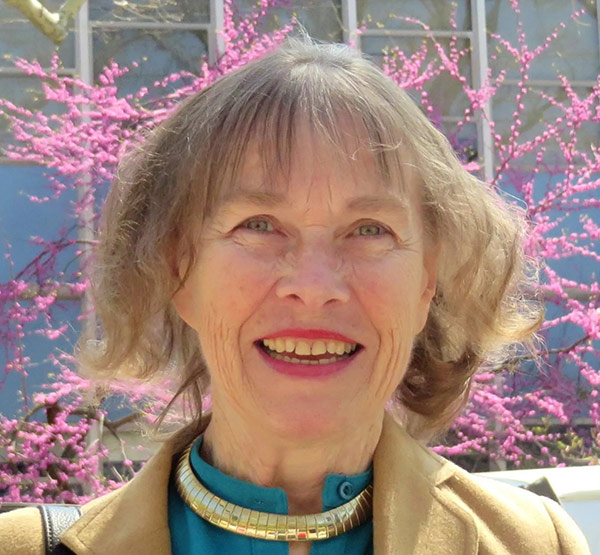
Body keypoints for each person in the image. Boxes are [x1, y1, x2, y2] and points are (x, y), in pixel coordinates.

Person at [0, 38, 590, 555]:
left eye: (369, 231)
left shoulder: (533, 544)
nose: (314, 286)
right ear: (180, 272)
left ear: (426, 283)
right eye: (259, 224)